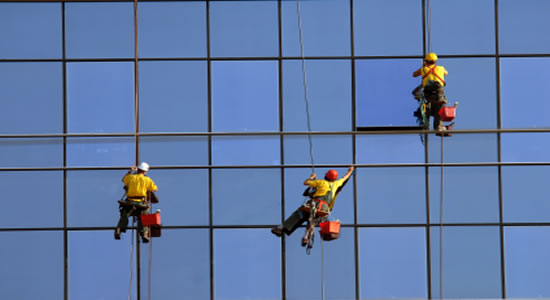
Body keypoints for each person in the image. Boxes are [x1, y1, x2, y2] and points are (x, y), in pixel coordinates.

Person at [271, 166, 354, 246]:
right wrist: (350, 171)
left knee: (298, 214)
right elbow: (344, 178)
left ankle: (281, 228)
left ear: (326, 176)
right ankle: (306, 237)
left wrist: (311, 177)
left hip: (315, 204)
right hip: (324, 209)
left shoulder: (321, 182)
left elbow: (305, 182)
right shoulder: (336, 184)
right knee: (312, 221)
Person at [114, 162, 158, 243]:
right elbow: (154, 189)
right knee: (144, 216)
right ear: (145, 171)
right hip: (140, 203)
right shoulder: (147, 180)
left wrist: (130, 171)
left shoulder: (130, 177)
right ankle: (144, 233)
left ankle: (119, 229)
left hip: (129, 202)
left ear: (138, 169)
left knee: (125, 214)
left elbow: (123, 179)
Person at [412, 52, 450, 133]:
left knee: (426, 110)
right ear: (435, 61)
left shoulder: (423, 69)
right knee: (438, 111)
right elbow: (446, 73)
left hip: (429, 96)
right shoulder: (441, 68)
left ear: (426, 61)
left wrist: (424, 67)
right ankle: (438, 127)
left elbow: (414, 74)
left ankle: (425, 126)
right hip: (439, 95)